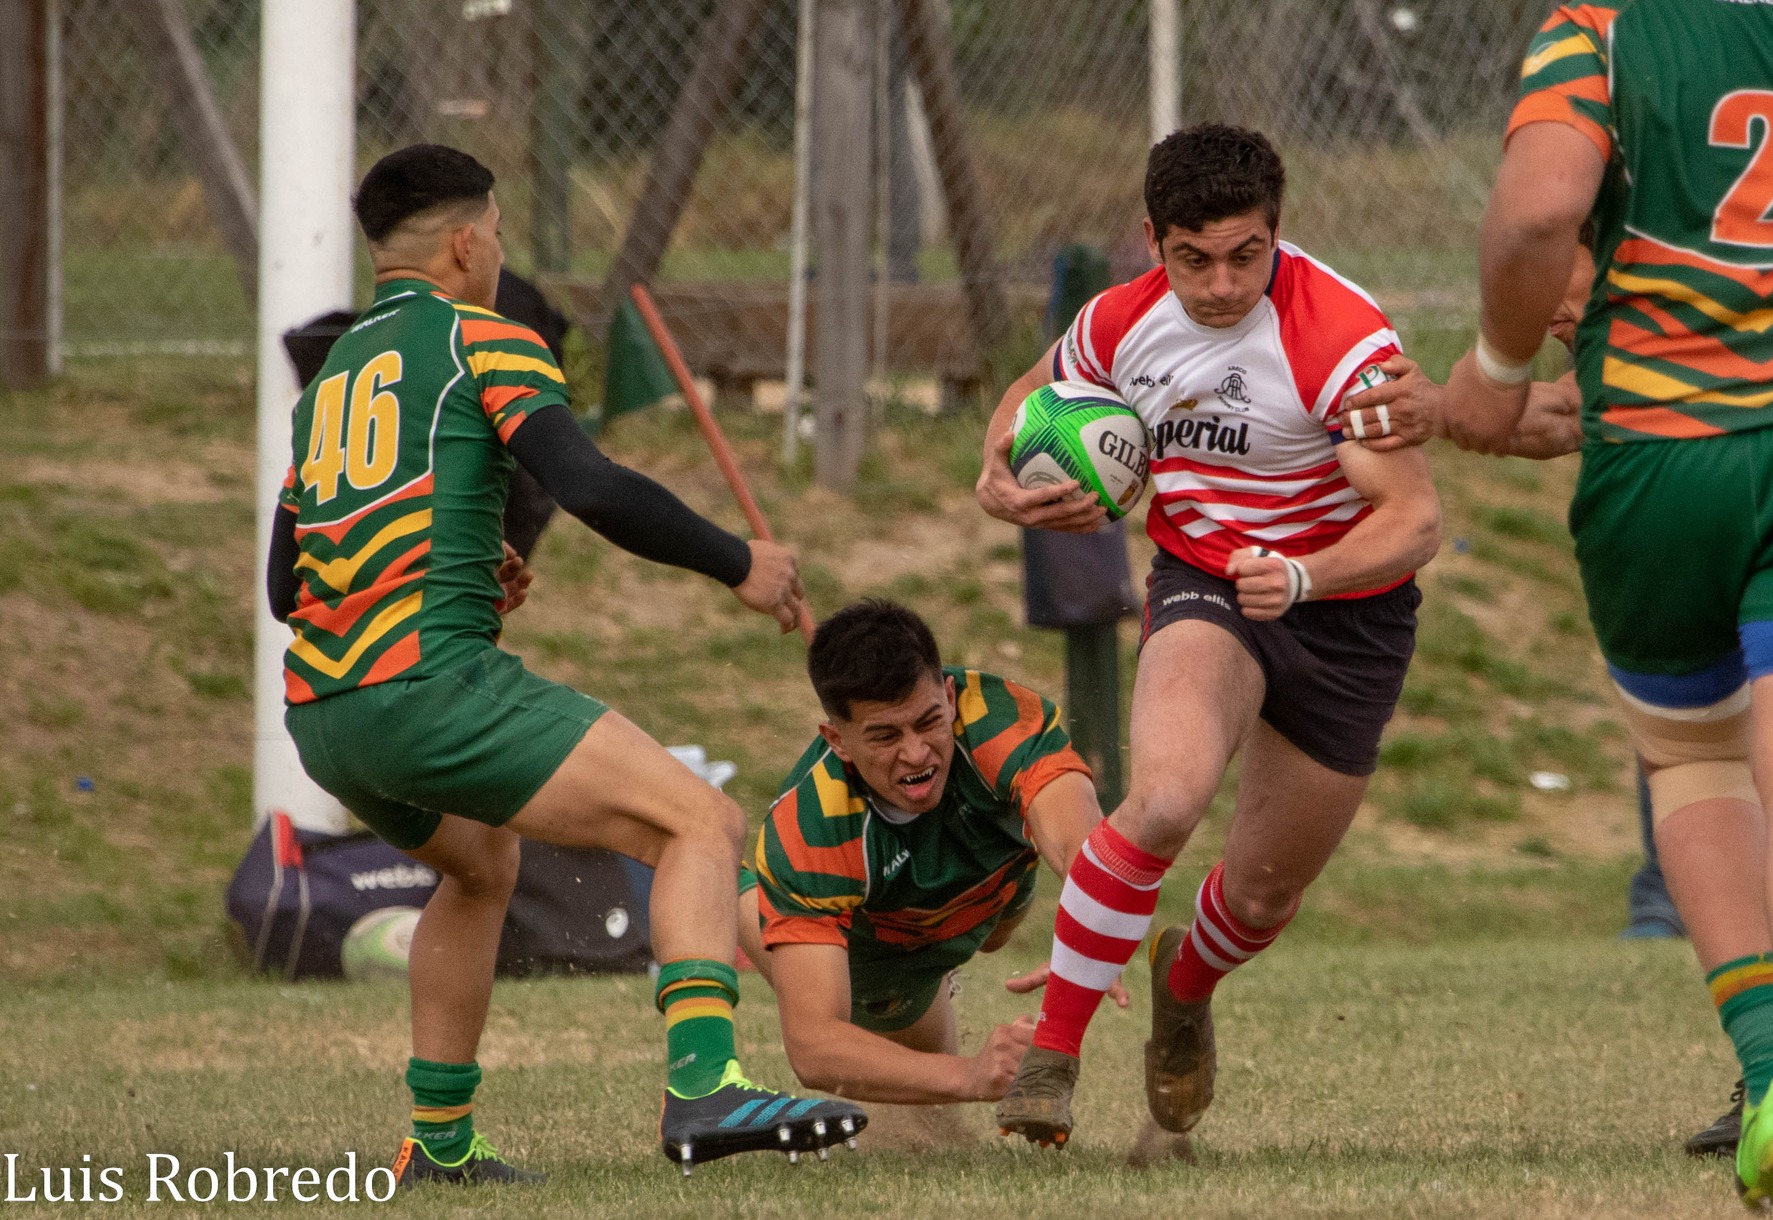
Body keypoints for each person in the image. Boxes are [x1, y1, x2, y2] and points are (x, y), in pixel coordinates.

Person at [1338, 5, 1773, 1215]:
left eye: (1569, 299)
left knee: (1717, 767)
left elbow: (1533, 224)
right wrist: (1447, 411)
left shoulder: (1604, 42)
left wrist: (1479, 382)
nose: (1563, 315)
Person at [265, 144, 864, 1183]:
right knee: (701, 820)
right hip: (429, 684)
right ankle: (704, 1087)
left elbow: (288, 583)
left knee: (479, 863)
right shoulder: (482, 339)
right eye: (495, 235)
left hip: (325, 716)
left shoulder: (329, 382)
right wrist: (740, 564)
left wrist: (457, 559)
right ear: (466, 242)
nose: (497, 253)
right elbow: (589, 485)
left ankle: (439, 1142)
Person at [973, 123, 1442, 1148]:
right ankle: (1051, 1056)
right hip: (1206, 584)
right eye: (1193, 258)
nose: (1222, 283)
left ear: (1277, 233)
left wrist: (1308, 572)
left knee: (1264, 891)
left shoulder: (1341, 339)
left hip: (1349, 611)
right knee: (1167, 796)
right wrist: (995, 470)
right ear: (1153, 239)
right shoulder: (1121, 320)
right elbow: (1026, 393)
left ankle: (1185, 984)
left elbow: (1413, 518)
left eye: (1245, 254)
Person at [737, 599, 1121, 1124]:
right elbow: (815, 1046)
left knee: (995, 938)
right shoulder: (810, 827)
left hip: (993, 903)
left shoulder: (1000, 718)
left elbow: (1083, 844)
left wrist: (1095, 927)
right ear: (837, 741)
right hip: (885, 954)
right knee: (934, 1128)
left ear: (948, 694)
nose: (917, 754)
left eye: (928, 722)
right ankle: (737, 892)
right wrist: (972, 1075)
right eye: (885, 736)